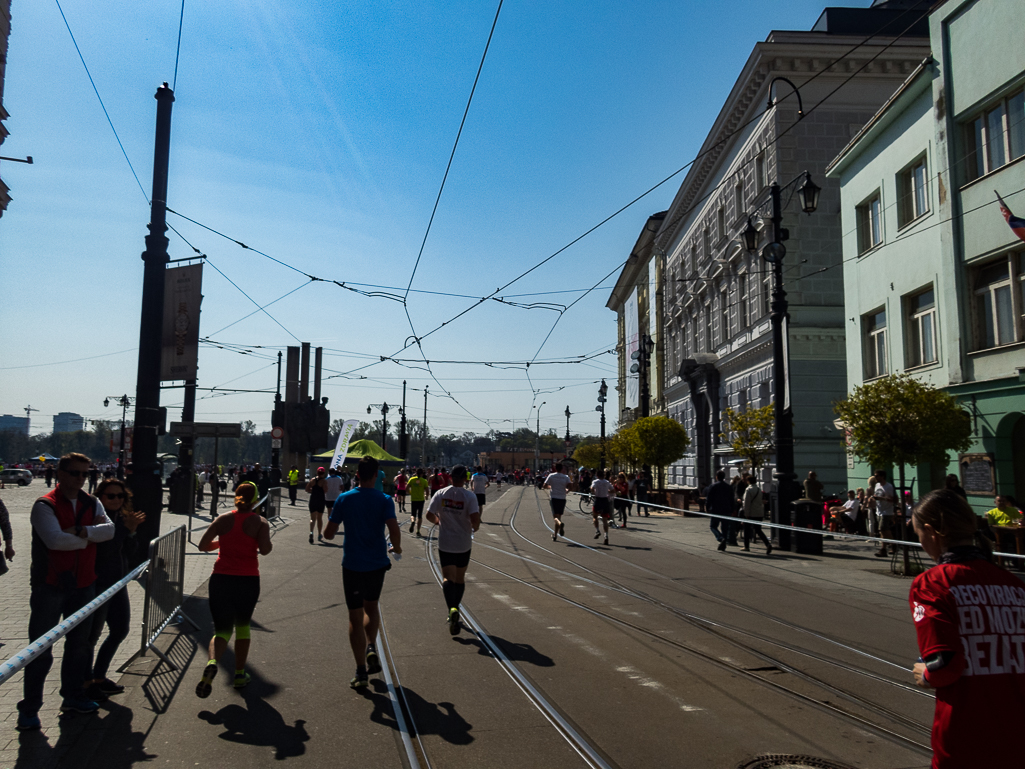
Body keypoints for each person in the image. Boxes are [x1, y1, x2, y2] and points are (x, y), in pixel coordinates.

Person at [909, 489, 1025, 767]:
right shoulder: (1014, 585)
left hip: (967, 734)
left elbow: (944, 664)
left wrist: (924, 673)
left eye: (918, 535)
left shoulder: (931, 584)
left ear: (931, 532)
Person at [17, 453, 114, 731]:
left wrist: (82, 530)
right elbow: (55, 541)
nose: (81, 479)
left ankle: (72, 697)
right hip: (51, 584)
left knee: (78, 647)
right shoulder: (44, 505)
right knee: (40, 649)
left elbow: (109, 530)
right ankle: (30, 708)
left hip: (85, 583)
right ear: (59, 473)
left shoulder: (91, 502)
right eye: (75, 473)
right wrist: (89, 538)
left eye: (86, 473)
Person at [325, 457, 402, 689]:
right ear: (376, 474)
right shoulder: (385, 499)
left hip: (352, 564)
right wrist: (396, 548)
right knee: (372, 606)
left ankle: (360, 672)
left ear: (357, 474)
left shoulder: (344, 499)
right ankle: (371, 646)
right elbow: (394, 528)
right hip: (377, 563)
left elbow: (329, 533)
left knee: (355, 616)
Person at [195, 482, 272, 696]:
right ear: (256, 500)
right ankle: (239, 674)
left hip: (220, 579)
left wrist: (223, 543)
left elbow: (202, 545)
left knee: (222, 629)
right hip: (246, 580)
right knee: (243, 626)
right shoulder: (260, 522)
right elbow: (265, 550)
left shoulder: (223, 519)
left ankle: (212, 662)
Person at [85, 478, 145, 700]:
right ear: (100, 497)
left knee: (120, 630)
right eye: (111, 496)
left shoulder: (122, 518)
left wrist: (131, 532)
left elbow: (129, 552)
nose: (116, 500)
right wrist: (124, 530)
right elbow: (105, 551)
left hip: (118, 583)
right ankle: (86, 682)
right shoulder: (98, 520)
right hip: (98, 583)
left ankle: (99, 676)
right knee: (91, 637)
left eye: (120, 496)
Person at [426, 465, 480, 635]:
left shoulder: (441, 494)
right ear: (465, 478)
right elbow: (475, 519)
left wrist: (438, 522)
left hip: (446, 542)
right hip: (463, 543)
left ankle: (452, 609)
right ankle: (455, 608)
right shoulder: (469, 496)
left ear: (450, 477)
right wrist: (474, 527)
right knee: (459, 578)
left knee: (447, 577)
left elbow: (429, 514)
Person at [705, 470, 735, 551]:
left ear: (717, 477)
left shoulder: (713, 486)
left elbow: (709, 498)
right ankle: (723, 545)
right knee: (725, 528)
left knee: (713, 526)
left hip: (716, 509)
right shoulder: (729, 487)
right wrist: (732, 509)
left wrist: (707, 507)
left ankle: (720, 538)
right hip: (727, 509)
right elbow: (732, 499)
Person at [741, 477, 772, 554]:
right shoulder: (759, 489)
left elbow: (746, 503)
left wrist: (746, 514)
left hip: (751, 513)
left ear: (748, 481)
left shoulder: (748, 490)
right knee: (758, 530)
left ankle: (746, 546)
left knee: (747, 529)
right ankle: (767, 544)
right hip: (759, 513)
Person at [543, 463, 571, 541]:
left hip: (554, 498)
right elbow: (571, 486)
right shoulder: (566, 477)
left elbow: (544, 485)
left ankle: (560, 524)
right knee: (559, 516)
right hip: (562, 498)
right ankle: (555, 535)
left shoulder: (551, 476)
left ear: (555, 468)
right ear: (562, 468)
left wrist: (550, 486)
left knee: (555, 517)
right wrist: (567, 490)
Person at [873, 470, 897, 558]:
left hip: (887, 511)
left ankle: (894, 544)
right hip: (878, 510)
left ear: (882, 476)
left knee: (882, 528)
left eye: (877, 476)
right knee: (882, 530)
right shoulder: (877, 485)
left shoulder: (889, 487)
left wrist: (883, 499)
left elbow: (895, 500)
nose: (875, 477)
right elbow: (876, 496)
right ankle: (884, 549)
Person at [590, 469, 614, 545]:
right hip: (605, 500)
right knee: (605, 519)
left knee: (594, 516)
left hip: (598, 499)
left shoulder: (595, 481)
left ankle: (597, 530)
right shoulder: (607, 482)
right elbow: (613, 490)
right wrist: (608, 492)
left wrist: (593, 492)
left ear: (597, 475)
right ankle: (606, 535)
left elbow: (592, 488)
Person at [306, 467, 327, 544]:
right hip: (320, 500)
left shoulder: (312, 480)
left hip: (313, 500)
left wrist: (313, 490)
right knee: (319, 518)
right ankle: (319, 534)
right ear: (323, 473)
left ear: (317, 472)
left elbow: (307, 489)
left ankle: (311, 532)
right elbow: (325, 490)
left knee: (312, 518)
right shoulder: (324, 481)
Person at [406, 468, 429, 536]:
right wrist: (426, 496)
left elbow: (407, 488)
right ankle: (418, 530)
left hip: (414, 499)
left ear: (416, 473)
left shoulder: (412, 479)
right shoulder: (424, 481)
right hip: (421, 499)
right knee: (419, 516)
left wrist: (410, 493)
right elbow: (427, 491)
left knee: (413, 514)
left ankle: (413, 521)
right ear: (422, 474)